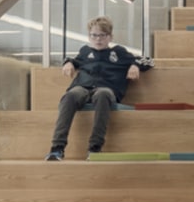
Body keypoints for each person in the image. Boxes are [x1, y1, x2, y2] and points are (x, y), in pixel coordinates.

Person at [46, 16, 150, 159]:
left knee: (103, 94)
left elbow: (148, 60)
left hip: (106, 89)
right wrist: (69, 63)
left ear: (110, 37)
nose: (98, 39)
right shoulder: (85, 51)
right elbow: (75, 60)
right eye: (94, 35)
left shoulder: (119, 53)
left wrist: (135, 65)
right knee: (70, 95)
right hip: (82, 87)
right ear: (89, 36)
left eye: (102, 35)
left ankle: (95, 148)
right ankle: (57, 148)